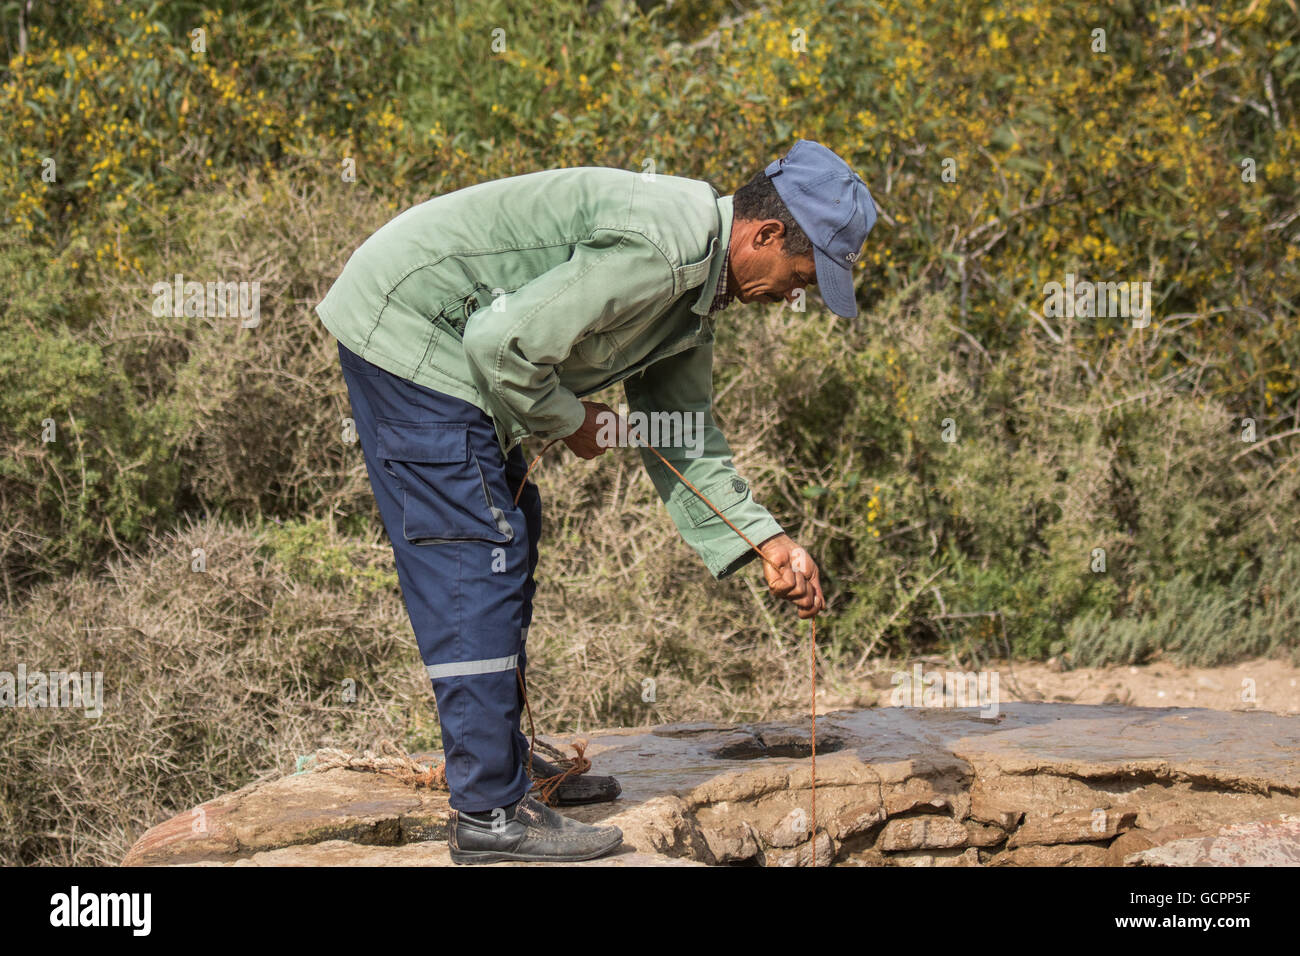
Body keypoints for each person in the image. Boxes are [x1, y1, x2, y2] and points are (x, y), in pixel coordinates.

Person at [315, 139, 877, 864]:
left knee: (513, 525)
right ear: (765, 235)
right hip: (411, 326)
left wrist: (767, 541)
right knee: (477, 547)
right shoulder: (667, 251)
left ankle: (502, 760)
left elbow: (684, 436)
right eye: (802, 276)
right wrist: (571, 420)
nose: (794, 297)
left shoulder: (696, 289)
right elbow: (501, 344)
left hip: (451, 345)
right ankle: (488, 813)